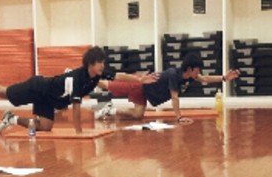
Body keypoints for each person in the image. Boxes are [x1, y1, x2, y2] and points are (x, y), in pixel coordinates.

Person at [0, 46, 156, 135]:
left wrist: (139, 79)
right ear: (90, 64)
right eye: (100, 63)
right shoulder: (77, 78)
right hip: (38, 87)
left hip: (48, 99)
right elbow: (76, 108)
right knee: (4, 92)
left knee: (45, 127)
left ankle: (11, 119)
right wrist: (79, 132)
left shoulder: (97, 74)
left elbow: (118, 75)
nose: (103, 66)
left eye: (103, 63)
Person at [94, 52, 241, 123]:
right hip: (139, 84)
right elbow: (174, 97)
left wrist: (224, 78)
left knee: (137, 115)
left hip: (145, 93)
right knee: (104, 84)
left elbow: (205, 78)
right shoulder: (173, 75)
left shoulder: (188, 76)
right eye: (197, 69)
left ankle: (109, 110)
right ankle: (83, 78)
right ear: (189, 69)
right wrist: (179, 117)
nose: (199, 72)